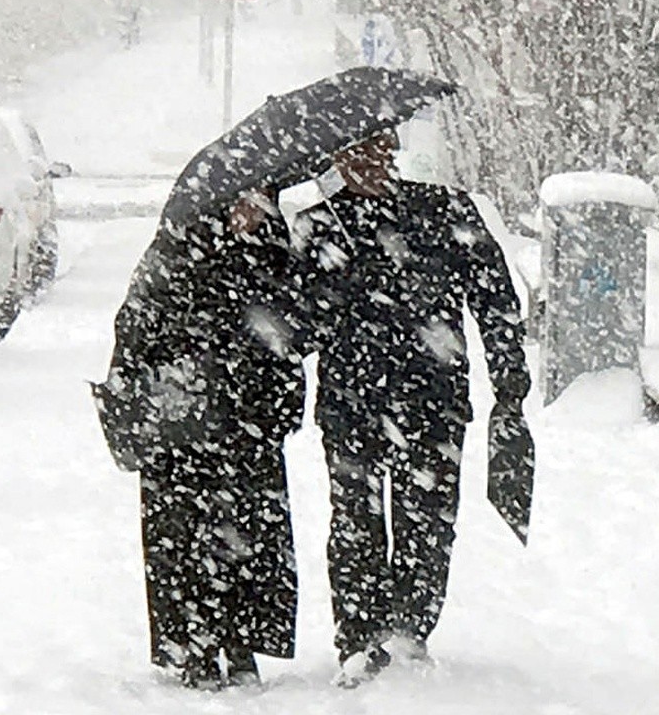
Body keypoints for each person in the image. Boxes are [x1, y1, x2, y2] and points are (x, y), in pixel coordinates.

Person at [290, 129, 531, 688]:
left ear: (393, 152)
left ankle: (410, 627)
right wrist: (334, 282)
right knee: (355, 520)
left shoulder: (443, 210)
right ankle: (358, 637)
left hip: (433, 399)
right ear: (336, 161)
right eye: (355, 155)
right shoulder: (318, 225)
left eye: (377, 151)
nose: (369, 165)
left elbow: (494, 299)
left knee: (428, 520)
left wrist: (509, 384)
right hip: (352, 402)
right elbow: (298, 326)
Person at [101, 188, 308, 689]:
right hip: (184, 423)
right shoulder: (175, 253)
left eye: (263, 204)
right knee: (182, 535)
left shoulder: (274, 255)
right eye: (245, 202)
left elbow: (293, 334)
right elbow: (134, 328)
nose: (252, 214)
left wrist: (281, 397)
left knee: (249, 533)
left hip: (247, 421)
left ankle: (240, 641)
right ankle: (193, 643)